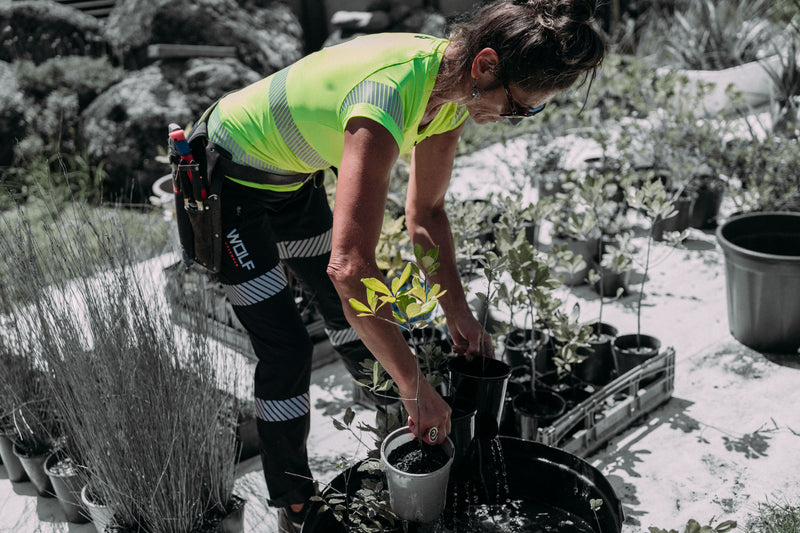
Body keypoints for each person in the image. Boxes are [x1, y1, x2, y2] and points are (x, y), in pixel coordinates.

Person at [187, 0, 604, 530]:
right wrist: (416, 386)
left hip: (291, 178)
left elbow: (426, 214)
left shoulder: (451, 97)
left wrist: (458, 313)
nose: (512, 120)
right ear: (485, 66)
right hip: (228, 186)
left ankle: (403, 434)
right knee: (288, 346)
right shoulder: (386, 95)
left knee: (354, 319)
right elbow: (350, 267)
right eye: (519, 106)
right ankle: (293, 501)